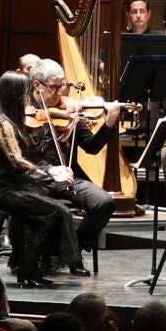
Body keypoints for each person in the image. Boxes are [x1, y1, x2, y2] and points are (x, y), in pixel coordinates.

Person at [0, 71, 80, 287]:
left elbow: (28, 154)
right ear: (15, 95)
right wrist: (50, 175)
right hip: (0, 190)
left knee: (37, 216)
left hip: (12, 186)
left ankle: (28, 270)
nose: (28, 98)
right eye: (25, 93)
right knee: (56, 210)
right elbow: (17, 161)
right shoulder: (1, 124)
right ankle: (35, 266)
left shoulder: (13, 121)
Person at [24, 59, 117, 269]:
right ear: (37, 85)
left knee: (104, 203)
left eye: (61, 86)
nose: (59, 92)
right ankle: (57, 256)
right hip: (36, 180)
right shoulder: (25, 111)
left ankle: (69, 251)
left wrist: (109, 122)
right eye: (53, 87)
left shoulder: (68, 111)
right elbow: (21, 157)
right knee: (51, 209)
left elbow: (92, 147)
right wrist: (49, 171)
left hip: (67, 180)